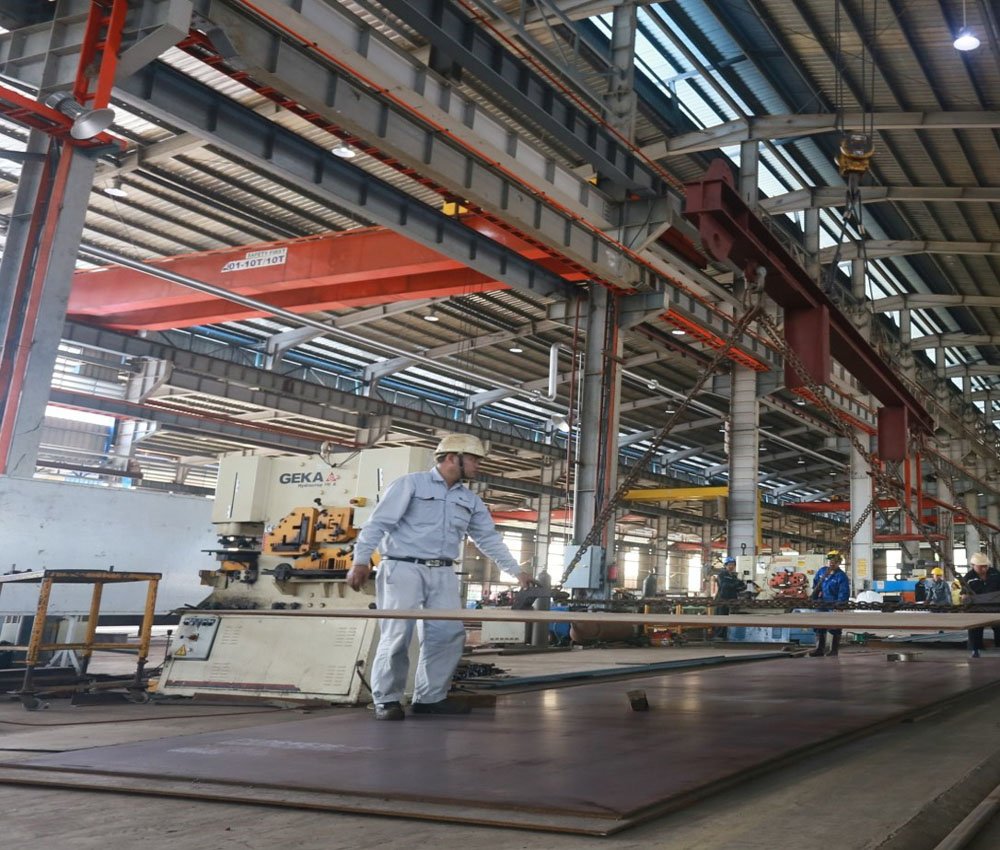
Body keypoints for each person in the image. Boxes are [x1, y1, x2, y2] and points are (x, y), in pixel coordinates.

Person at [347, 433, 521, 720]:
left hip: (443, 571)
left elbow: (489, 539)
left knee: (447, 634)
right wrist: (361, 561)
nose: (478, 465)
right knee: (397, 635)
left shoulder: (469, 500)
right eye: (474, 459)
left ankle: (429, 698)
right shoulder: (411, 484)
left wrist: (518, 572)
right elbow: (377, 523)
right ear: (452, 457)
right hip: (403, 568)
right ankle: (387, 700)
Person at [809, 550, 851, 657]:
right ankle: (819, 649)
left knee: (834, 627)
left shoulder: (841, 576)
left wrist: (840, 606)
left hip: (834, 604)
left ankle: (833, 650)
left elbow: (844, 592)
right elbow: (816, 585)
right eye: (830, 561)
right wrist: (814, 599)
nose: (832, 563)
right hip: (821, 603)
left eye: (835, 562)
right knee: (819, 625)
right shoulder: (822, 572)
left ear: (839, 563)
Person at [962, 552, 1000, 658]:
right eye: (980, 566)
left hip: (996, 607)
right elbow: (964, 594)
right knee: (975, 628)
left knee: (999, 627)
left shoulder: (995, 573)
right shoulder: (968, 577)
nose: (984, 569)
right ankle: (976, 649)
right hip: (977, 608)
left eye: (985, 566)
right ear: (973, 565)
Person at [714, 556, 746, 640]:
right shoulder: (722, 575)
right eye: (729, 565)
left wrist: (743, 586)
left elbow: (739, 587)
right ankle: (718, 636)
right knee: (721, 618)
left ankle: (725, 636)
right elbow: (724, 586)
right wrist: (736, 584)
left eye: (733, 565)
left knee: (728, 619)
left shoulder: (734, 576)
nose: (731, 566)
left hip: (732, 600)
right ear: (725, 565)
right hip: (722, 600)